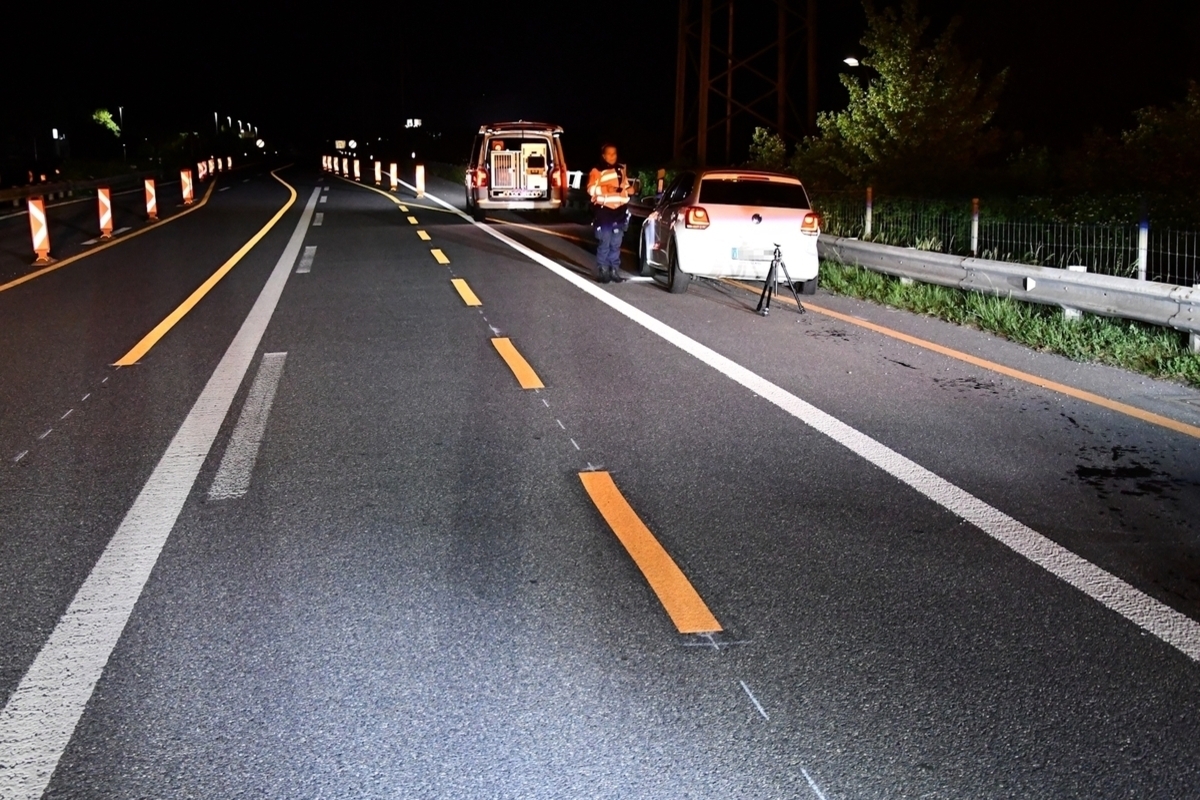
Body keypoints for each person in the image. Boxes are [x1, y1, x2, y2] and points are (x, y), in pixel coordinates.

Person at [586, 143, 636, 283]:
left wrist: (631, 189)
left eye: (614, 153)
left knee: (616, 242)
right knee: (605, 240)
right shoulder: (597, 170)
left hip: (619, 210)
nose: (612, 156)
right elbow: (590, 189)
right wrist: (606, 189)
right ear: (603, 155)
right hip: (604, 210)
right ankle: (602, 270)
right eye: (609, 154)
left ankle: (614, 270)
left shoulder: (621, 170)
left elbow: (625, 186)